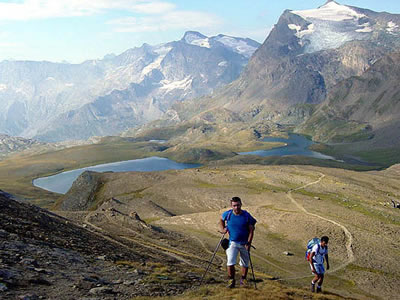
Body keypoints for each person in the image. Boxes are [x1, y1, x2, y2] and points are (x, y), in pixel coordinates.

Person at [219, 196, 256, 288]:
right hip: (233, 243)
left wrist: (249, 243)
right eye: (234, 205)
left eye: (238, 205)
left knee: (245, 262)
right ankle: (231, 280)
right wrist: (222, 229)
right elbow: (221, 219)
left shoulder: (247, 216)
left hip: (244, 244)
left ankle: (243, 280)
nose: (236, 207)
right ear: (231, 206)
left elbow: (251, 230)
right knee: (230, 261)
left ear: (241, 204)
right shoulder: (228, 214)